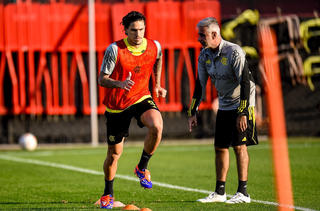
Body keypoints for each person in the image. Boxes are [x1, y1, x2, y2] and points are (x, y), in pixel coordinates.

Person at [98, 11, 166, 209]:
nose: (138, 34)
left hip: (141, 97)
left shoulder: (154, 46)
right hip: (117, 104)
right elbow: (102, 78)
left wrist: (158, 84)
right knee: (114, 154)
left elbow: (159, 58)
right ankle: (108, 194)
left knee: (157, 126)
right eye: (134, 31)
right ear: (125, 30)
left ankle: (142, 167)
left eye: (141, 30)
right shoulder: (115, 49)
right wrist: (119, 84)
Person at [187, 17, 258, 204]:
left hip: (243, 103)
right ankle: (220, 192)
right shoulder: (204, 56)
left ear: (214, 34)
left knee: (239, 146)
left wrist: (243, 112)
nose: (199, 39)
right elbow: (199, 85)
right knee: (220, 147)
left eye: (202, 35)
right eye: (198, 35)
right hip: (225, 105)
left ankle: (243, 193)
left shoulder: (234, 52)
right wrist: (192, 111)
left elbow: (245, 82)